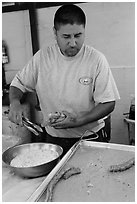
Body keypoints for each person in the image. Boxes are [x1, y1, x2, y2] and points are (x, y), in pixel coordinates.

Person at [8, 4, 120, 155]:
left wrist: (77, 121)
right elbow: (18, 84)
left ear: (84, 30)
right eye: (66, 37)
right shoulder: (42, 58)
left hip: (90, 138)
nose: (73, 43)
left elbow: (108, 103)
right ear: (55, 32)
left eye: (78, 35)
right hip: (54, 139)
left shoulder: (96, 59)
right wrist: (14, 102)